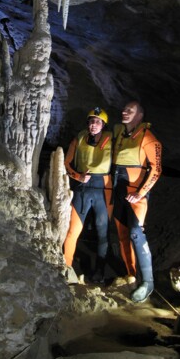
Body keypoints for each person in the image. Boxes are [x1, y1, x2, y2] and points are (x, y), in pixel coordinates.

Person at [111, 100, 162, 303]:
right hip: (119, 192)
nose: (124, 112)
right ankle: (131, 275)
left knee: (135, 232)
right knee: (123, 235)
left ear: (139, 115)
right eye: (124, 109)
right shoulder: (122, 136)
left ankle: (148, 282)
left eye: (130, 110)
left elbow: (156, 170)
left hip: (136, 194)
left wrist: (141, 193)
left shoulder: (148, 138)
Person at [62, 106, 114, 283]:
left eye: (98, 122)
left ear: (103, 125)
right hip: (82, 188)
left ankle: (100, 271)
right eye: (91, 121)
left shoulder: (111, 140)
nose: (94, 124)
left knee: (102, 232)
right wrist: (78, 176)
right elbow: (66, 163)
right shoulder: (79, 138)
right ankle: (66, 268)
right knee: (73, 230)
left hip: (104, 189)